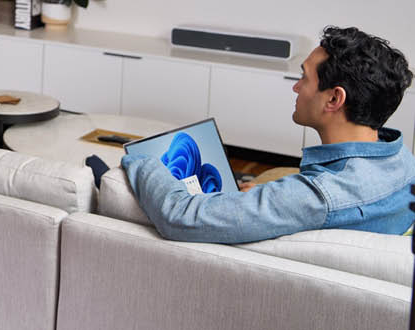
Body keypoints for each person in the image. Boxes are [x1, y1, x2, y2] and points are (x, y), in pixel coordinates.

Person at [123, 26, 415, 244]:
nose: (296, 88)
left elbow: (181, 217)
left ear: (334, 100)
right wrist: (270, 194)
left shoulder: (313, 198)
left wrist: (143, 161)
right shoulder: (402, 159)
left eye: (304, 78)